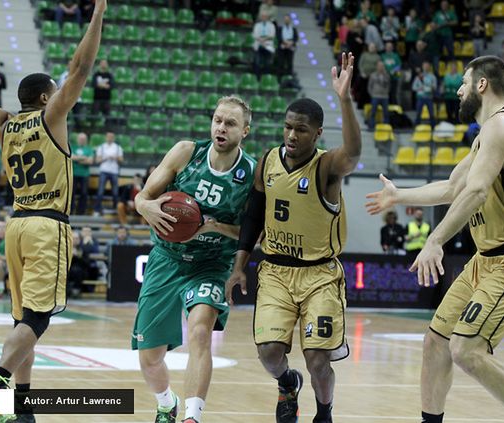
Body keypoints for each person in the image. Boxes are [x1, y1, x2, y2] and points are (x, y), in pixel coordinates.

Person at [0, 3, 107, 423]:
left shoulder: (4, 123)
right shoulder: (52, 116)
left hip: (17, 225)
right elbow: (81, 67)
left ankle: (21, 405)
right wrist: (98, 12)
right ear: (46, 97)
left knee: (23, 319)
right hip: (48, 225)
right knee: (38, 319)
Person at [366, 55, 504, 423]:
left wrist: (435, 239)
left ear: (482, 85)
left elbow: (478, 192)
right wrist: (399, 196)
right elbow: (455, 187)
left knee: (466, 350)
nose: (458, 89)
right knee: (436, 342)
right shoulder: (485, 135)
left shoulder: (503, 127)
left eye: (465, 82)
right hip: (484, 259)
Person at [226, 52, 360, 423]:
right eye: (288, 126)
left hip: (319, 275)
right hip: (275, 273)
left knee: (318, 359)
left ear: (317, 133)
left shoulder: (327, 167)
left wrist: (344, 100)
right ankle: (288, 383)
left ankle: (324, 413)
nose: (291, 135)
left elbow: (353, 152)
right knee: (269, 353)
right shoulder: (268, 161)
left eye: (301, 129)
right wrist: (240, 265)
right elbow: (253, 215)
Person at [132, 95, 256, 423]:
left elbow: (254, 231)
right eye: (217, 120)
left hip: (212, 264)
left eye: (230, 123)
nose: (221, 127)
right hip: (167, 258)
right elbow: (144, 197)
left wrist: (212, 226)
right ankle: (165, 403)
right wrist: (144, 206)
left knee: (200, 332)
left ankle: (192, 417)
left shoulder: (252, 174)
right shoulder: (187, 152)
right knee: (150, 358)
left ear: (245, 130)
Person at [94, 131, 123, 216]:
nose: (110, 138)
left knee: (115, 192)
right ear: (106, 137)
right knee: (100, 191)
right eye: (108, 136)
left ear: (113, 138)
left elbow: (121, 160)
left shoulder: (118, 148)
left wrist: (116, 157)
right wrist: (105, 158)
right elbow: (97, 160)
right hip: (104, 171)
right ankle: (97, 209)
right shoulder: (101, 147)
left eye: (111, 137)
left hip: (114, 171)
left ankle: (115, 209)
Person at [71, 132, 93, 215]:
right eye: (80, 139)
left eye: (83, 139)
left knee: (84, 193)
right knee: (72, 193)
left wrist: (77, 159)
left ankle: (81, 211)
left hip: (84, 175)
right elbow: (71, 157)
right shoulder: (73, 147)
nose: (82, 140)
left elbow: (90, 161)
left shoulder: (89, 149)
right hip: (74, 173)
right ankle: (71, 210)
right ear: (77, 139)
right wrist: (83, 158)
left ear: (86, 140)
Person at [413, 61, 437, 127]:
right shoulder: (418, 76)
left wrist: (430, 88)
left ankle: (433, 127)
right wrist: (419, 88)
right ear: (422, 67)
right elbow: (414, 87)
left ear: (429, 67)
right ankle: (416, 127)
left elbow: (435, 87)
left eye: (427, 66)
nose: (426, 67)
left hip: (429, 97)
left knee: (431, 114)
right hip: (420, 97)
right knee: (418, 113)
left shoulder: (432, 77)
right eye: (424, 66)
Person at [252, 11, 276, 80]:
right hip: (259, 43)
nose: (264, 18)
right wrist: (261, 40)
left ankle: (265, 78)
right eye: (262, 16)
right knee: (257, 62)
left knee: (267, 63)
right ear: (261, 17)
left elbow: (272, 35)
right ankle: (257, 78)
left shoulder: (271, 25)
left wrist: (265, 39)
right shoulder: (257, 25)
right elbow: (255, 35)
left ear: (267, 17)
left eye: (265, 16)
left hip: (268, 44)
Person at [367, 60, 390, 130]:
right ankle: (371, 126)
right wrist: (372, 94)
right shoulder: (373, 75)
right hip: (375, 96)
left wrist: (386, 92)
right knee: (373, 112)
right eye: (379, 66)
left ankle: (386, 127)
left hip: (384, 96)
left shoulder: (386, 75)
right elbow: (369, 86)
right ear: (377, 67)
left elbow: (388, 85)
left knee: (386, 113)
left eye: (382, 66)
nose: (381, 67)